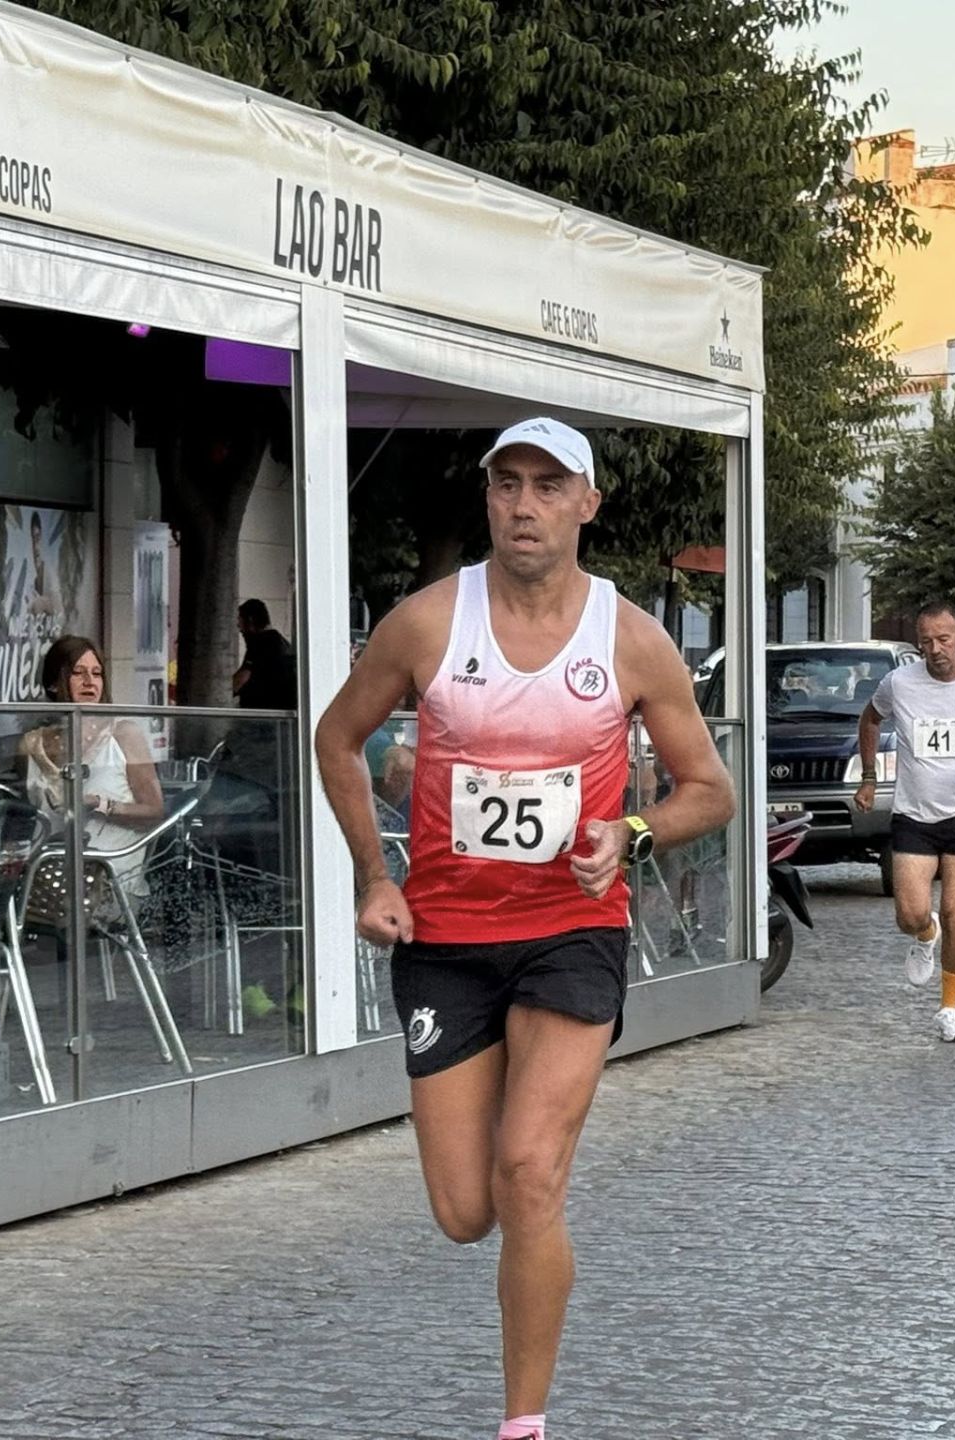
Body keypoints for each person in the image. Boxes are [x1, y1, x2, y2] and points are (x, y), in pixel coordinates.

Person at [314, 416, 734, 1440]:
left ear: (588, 503)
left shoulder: (629, 638)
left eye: (550, 486)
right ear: (489, 498)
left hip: (572, 932)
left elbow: (709, 792)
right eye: (508, 484)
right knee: (467, 1211)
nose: (524, 504)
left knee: (529, 1173)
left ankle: (523, 1425)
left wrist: (630, 831)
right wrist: (376, 876)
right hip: (447, 942)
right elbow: (337, 737)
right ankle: (513, 1179)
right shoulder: (424, 624)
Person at [852, 602, 955, 1043]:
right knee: (910, 914)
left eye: (943, 639)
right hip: (914, 813)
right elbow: (869, 719)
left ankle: (950, 1009)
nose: (935, 649)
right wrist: (870, 777)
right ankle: (925, 935)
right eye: (926, 641)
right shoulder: (899, 682)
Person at [21, 636, 166, 897]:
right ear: (54, 683)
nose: (90, 682)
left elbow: (155, 812)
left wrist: (101, 804)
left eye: (97, 673)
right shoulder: (33, 742)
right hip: (45, 875)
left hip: (109, 878)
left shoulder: (124, 734)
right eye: (78, 673)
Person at [232, 599, 297, 710]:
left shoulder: (261, 642)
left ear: (250, 620)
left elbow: (242, 678)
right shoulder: (281, 643)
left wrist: (221, 693)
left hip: (262, 711)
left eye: (240, 622)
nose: (239, 628)